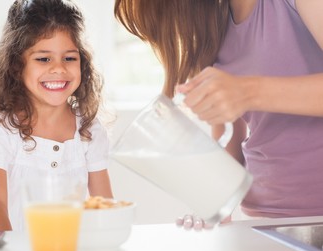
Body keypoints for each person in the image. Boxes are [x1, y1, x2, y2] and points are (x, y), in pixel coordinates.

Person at [114, 0, 323, 228]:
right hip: (265, 217)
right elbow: (229, 142)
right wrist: (214, 202)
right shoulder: (216, 29)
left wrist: (247, 91)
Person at [0, 0, 113, 232]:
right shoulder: (0, 128)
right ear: (16, 66)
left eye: (69, 58)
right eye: (43, 59)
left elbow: (105, 205)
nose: (59, 68)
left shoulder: (89, 130)